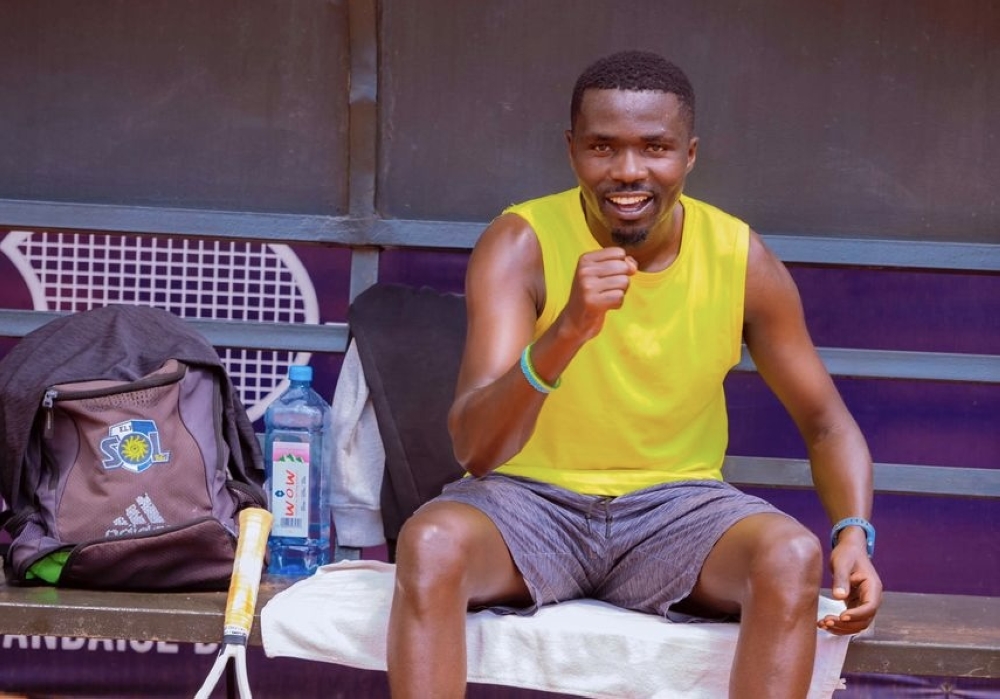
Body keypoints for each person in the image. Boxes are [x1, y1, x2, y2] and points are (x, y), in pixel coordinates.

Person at [386, 50, 882, 698]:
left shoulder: (739, 257)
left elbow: (826, 423)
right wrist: (568, 330)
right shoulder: (520, 242)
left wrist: (853, 533)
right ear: (571, 151)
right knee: (430, 542)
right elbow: (476, 449)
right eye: (602, 147)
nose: (628, 170)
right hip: (527, 503)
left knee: (790, 556)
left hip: (678, 509)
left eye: (655, 147)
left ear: (689, 155)